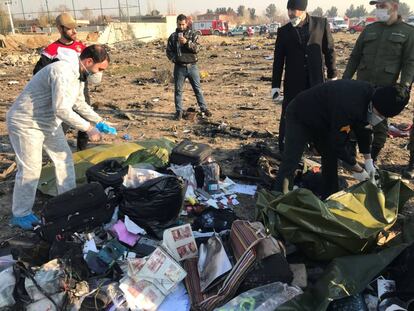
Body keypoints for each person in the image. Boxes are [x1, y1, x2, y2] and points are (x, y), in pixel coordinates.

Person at [7, 45, 110, 230]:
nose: (99, 74)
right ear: (88, 62)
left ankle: (68, 200)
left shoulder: (79, 75)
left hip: (47, 122)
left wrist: (100, 121)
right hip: (26, 121)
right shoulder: (62, 71)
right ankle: (20, 214)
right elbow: (61, 109)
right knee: (31, 169)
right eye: (100, 69)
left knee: (64, 159)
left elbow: (79, 103)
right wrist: (88, 128)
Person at [273, 80, 410, 199]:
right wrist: (358, 170)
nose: (379, 118)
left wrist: (368, 161)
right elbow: (337, 143)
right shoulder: (350, 103)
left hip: (326, 119)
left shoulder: (371, 97)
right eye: (379, 114)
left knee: (330, 157)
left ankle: (329, 195)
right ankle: (279, 197)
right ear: (375, 105)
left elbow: (364, 129)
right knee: (292, 158)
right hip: (301, 114)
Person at [343, 0, 414, 163]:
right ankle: (350, 154)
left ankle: (372, 158)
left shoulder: (408, 32)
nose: (378, 10)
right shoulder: (369, 30)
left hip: (385, 87)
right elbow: (355, 57)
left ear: (394, 7)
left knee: (379, 125)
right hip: (362, 84)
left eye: (383, 6)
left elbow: (409, 62)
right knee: (354, 118)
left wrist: (404, 86)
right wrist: (345, 80)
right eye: (377, 7)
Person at [271, 0, 337, 152]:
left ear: (303, 10)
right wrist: (275, 86)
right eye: (288, 10)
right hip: (293, 82)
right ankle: (286, 144)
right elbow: (278, 61)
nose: (290, 14)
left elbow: (329, 50)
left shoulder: (321, 24)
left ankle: (318, 145)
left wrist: (332, 74)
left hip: (316, 80)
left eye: (293, 10)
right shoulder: (284, 31)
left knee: (318, 113)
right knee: (289, 112)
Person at [33, 12, 91, 151]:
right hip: (62, 94)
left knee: (85, 121)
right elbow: (38, 73)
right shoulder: (52, 50)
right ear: (60, 29)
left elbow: (87, 68)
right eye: (70, 29)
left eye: (75, 28)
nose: (75, 31)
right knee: (62, 123)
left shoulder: (81, 48)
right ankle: (54, 151)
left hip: (81, 91)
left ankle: (82, 152)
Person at [166, 14, 211, 121]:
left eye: (183, 24)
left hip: (192, 67)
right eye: (179, 24)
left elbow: (197, 49)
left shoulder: (193, 34)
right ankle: (179, 112)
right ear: (176, 24)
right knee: (178, 91)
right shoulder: (173, 37)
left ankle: (204, 109)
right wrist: (175, 59)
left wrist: (187, 43)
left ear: (186, 24)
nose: (181, 27)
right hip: (179, 68)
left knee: (197, 89)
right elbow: (168, 51)